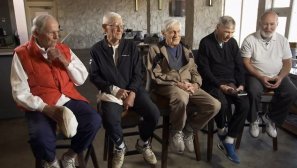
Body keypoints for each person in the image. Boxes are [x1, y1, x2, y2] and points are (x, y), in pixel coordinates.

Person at [10, 14, 102, 168]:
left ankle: (69, 156)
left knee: (94, 121)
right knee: (39, 137)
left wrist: (64, 61)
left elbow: (81, 78)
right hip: (40, 105)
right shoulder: (21, 54)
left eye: (58, 31)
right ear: (36, 34)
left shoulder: (63, 49)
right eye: (51, 33)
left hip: (68, 99)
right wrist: (46, 108)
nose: (56, 37)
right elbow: (19, 92)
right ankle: (51, 162)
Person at [89, 12, 160, 168]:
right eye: (115, 26)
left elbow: (138, 72)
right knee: (110, 118)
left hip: (133, 89)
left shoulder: (131, 46)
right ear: (104, 28)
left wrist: (132, 93)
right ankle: (120, 147)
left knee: (153, 113)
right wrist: (114, 90)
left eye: (122, 25)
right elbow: (94, 76)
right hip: (111, 92)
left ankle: (143, 143)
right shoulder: (96, 50)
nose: (120, 29)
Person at [146, 19, 220, 154]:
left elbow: (194, 70)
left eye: (178, 32)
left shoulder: (186, 48)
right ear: (163, 33)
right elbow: (156, 75)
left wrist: (196, 84)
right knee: (181, 98)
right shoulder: (155, 49)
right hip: (167, 85)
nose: (176, 35)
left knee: (214, 105)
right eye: (172, 32)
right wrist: (177, 83)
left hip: (188, 85)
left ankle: (189, 129)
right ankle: (176, 131)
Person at [197, 16, 249, 164]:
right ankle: (221, 129)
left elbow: (239, 65)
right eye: (226, 31)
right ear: (218, 27)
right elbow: (205, 70)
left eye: (232, 32)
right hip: (212, 83)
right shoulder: (205, 42)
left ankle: (229, 138)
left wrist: (241, 85)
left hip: (231, 82)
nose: (229, 35)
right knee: (223, 104)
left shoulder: (232, 42)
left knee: (244, 104)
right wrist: (220, 85)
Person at [241, 10, 297, 138]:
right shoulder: (250, 39)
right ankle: (253, 120)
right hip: (255, 75)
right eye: (265, 24)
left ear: (277, 24)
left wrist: (281, 77)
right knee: (253, 91)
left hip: (277, 75)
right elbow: (246, 62)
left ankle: (271, 119)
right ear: (260, 23)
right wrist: (261, 76)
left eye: (272, 24)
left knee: (292, 92)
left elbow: (287, 63)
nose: (268, 28)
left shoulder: (282, 40)